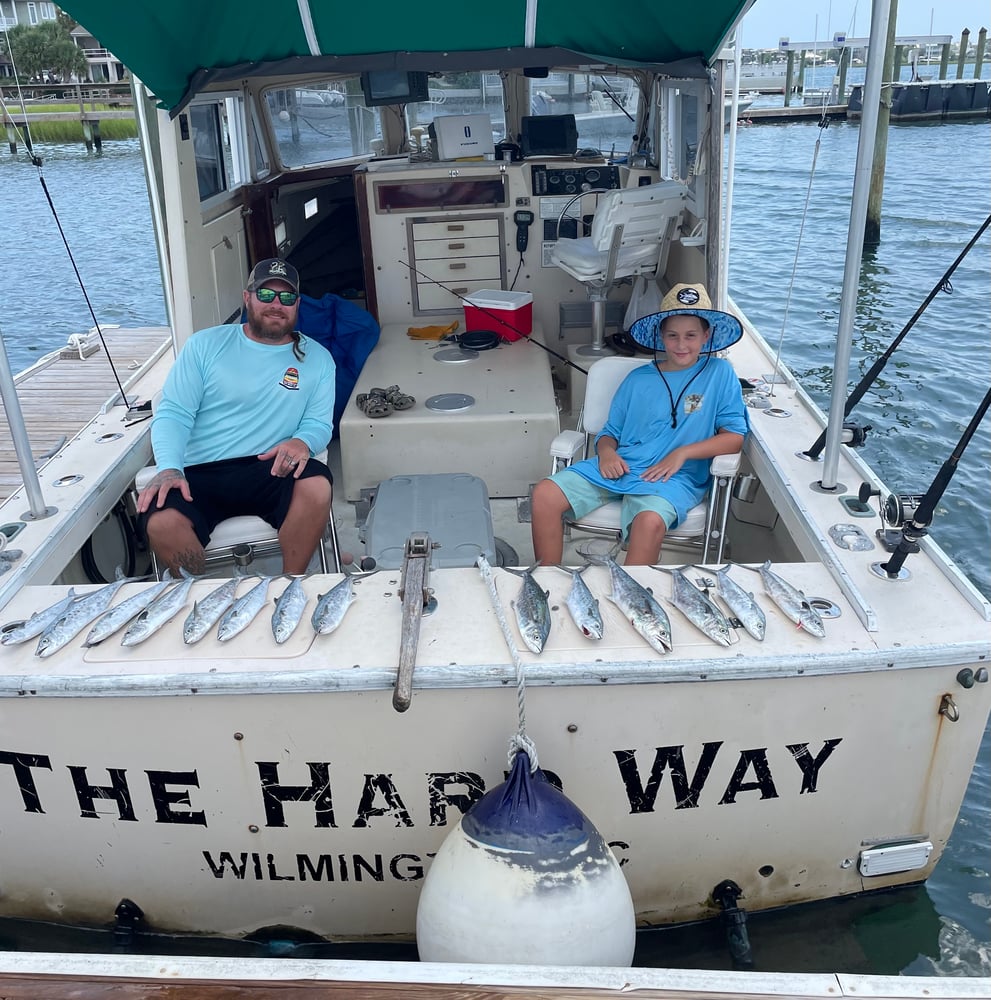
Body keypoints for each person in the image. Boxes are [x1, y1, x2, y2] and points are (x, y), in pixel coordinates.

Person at [137, 259, 336, 575]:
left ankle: (291, 583)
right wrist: (170, 468)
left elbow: (319, 423)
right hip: (200, 471)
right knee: (160, 521)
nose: (276, 305)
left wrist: (303, 441)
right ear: (247, 298)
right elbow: (174, 413)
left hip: (271, 468)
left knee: (317, 486)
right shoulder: (205, 345)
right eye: (266, 295)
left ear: (297, 305)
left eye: (286, 298)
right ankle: (203, 598)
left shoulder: (319, 359)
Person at [531, 283, 748, 566]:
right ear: (661, 336)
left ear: (706, 336)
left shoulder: (720, 373)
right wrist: (607, 453)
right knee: (544, 495)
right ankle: (547, 583)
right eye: (673, 336)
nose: (682, 345)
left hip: (674, 478)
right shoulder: (637, 379)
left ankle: (632, 602)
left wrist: (681, 453)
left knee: (649, 522)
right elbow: (610, 434)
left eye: (691, 335)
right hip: (622, 465)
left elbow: (734, 437)